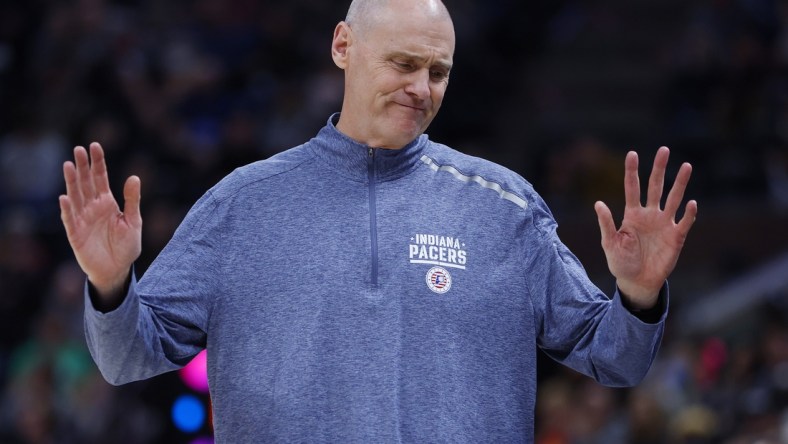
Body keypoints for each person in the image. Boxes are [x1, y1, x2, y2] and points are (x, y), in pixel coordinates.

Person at [59, 0, 698, 441]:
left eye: (438, 71)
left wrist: (638, 298)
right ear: (343, 45)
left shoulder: (504, 209)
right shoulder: (239, 207)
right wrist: (112, 287)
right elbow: (129, 358)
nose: (421, 87)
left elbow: (614, 360)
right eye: (403, 63)